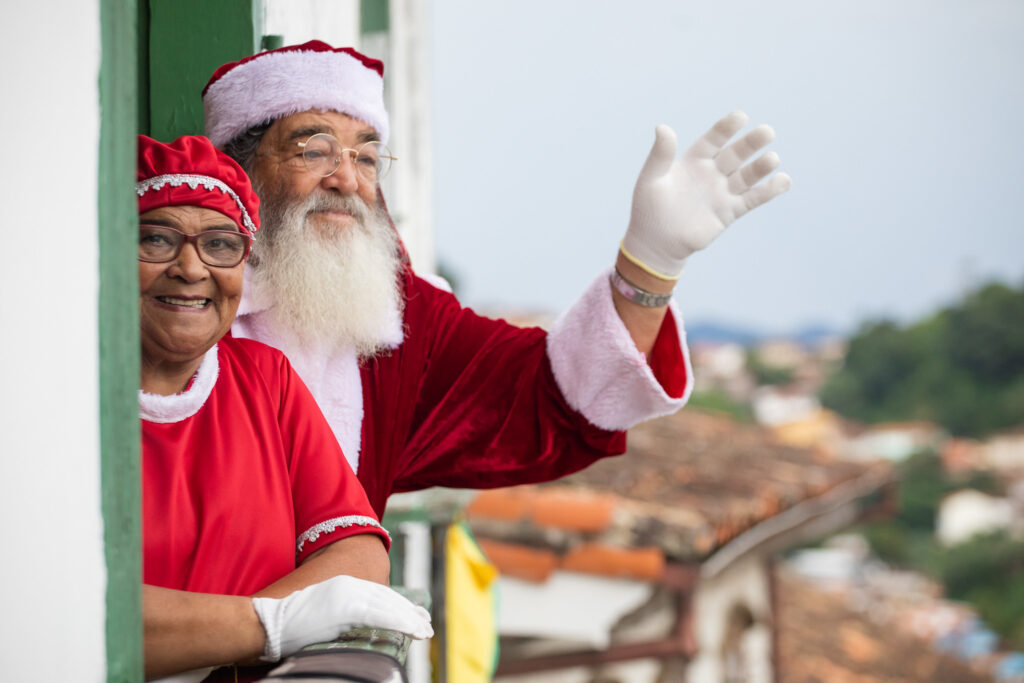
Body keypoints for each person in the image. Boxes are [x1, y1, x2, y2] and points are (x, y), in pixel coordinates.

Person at [200, 41, 791, 517]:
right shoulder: (178, 297)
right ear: (241, 169)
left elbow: (550, 398)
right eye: (314, 151)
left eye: (366, 158)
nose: (346, 179)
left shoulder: (401, 321)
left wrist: (651, 262)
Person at [136, 134, 432, 683]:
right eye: (156, 238)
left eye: (221, 245)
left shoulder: (262, 377)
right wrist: (270, 625)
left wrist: (194, 637)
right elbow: (67, 604)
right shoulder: (62, 401)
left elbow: (358, 554)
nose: (191, 267)